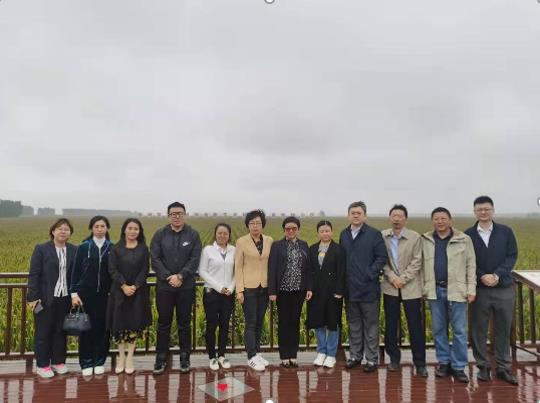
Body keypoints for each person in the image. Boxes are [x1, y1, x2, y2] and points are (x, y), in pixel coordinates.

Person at [465, 196, 519, 385]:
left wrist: (496, 275)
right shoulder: (468, 235)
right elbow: (467, 261)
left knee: (503, 329)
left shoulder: (506, 232)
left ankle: (503, 368)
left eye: (486, 209)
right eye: (479, 209)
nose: (483, 212)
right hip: (479, 289)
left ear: (493, 210)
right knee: (478, 329)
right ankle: (483, 366)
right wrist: (482, 276)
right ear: (474, 212)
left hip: (503, 288)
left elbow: (512, 256)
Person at [422, 207, 476, 383]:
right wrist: (424, 288)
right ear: (432, 221)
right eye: (436, 219)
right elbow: (420, 266)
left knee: (459, 331)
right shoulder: (426, 240)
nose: (440, 221)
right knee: (439, 330)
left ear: (450, 220)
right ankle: (444, 362)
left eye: (443, 218)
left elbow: (471, 265)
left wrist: (471, 289)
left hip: (457, 291)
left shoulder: (463, 239)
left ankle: (459, 366)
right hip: (435, 290)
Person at [151, 202, 202, 374]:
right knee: (163, 323)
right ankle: (161, 358)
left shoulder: (193, 235)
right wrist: (168, 276)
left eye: (180, 213)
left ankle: (184, 357)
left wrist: (180, 276)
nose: (177, 216)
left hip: (185, 287)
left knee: (184, 323)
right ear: (168, 216)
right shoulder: (160, 234)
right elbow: (155, 259)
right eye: (173, 214)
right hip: (164, 288)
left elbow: (195, 259)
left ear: (185, 215)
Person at [340, 201, 387, 373]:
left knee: (371, 326)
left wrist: (369, 274)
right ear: (348, 215)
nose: (355, 215)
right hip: (350, 290)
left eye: (359, 213)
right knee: (354, 325)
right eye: (352, 213)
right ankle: (355, 356)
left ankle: (372, 359)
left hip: (368, 289)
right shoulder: (344, 234)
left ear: (365, 216)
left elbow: (382, 258)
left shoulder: (374, 234)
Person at [27, 218, 77, 379]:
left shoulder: (74, 250)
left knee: (60, 331)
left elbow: (76, 275)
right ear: (53, 231)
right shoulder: (42, 249)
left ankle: (58, 361)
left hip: (65, 298)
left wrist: (75, 294)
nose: (63, 231)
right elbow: (34, 274)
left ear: (70, 233)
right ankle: (42, 365)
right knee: (43, 332)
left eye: (66, 229)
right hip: (44, 299)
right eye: (60, 228)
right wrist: (33, 297)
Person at [381, 205, 427, 377]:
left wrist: (403, 278)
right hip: (390, 287)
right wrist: (393, 277)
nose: (396, 219)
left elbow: (417, 261)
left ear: (405, 219)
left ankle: (420, 363)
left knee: (415, 326)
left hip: (411, 288)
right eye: (394, 215)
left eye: (400, 216)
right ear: (390, 218)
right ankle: (394, 359)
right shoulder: (383, 236)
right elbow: (381, 259)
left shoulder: (415, 237)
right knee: (391, 325)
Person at [107, 218, 152, 375]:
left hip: (137, 293)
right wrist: (124, 285)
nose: (133, 231)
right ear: (124, 230)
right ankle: (121, 357)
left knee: (134, 325)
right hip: (119, 292)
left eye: (136, 229)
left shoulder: (143, 249)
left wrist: (135, 286)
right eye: (130, 228)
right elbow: (112, 270)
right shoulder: (116, 248)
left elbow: (145, 270)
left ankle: (130, 358)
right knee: (119, 325)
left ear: (139, 231)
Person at [70, 216, 113, 376]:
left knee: (103, 328)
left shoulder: (112, 247)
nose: (100, 229)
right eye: (96, 226)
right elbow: (75, 271)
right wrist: (74, 293)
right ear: (91, 228)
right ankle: (86, 361)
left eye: (102, 226)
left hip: (106, 295)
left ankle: (100, 360)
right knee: (86, 328)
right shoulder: (84, 247)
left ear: (107, 228)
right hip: (85, 295)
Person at [268, 216, 312, 368]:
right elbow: (272, 269)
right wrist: (272, 291)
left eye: (294, 228)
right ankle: (284, 356)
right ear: (284, 230)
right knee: (284, 323)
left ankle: (293, 355)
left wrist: (309, 288)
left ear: (298, 230)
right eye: (288, 228)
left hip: (298, 291)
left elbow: (308, 269)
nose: (291, 231)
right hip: (282, 291)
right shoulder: (277, 246)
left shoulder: (304, 245)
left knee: (295, 322)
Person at [235, 209, 273, 371]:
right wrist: (239, 290)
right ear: (247, 225)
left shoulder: (269, 240)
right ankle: (251, 356)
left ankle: (257, 353)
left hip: (264, 287)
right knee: (250, 323)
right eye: (252, 223)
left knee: (259, 322)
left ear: (263, 224)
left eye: (258, 223)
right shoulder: (241, 242)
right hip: (248, 288)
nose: (255, 226)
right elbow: (238, 267)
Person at [306, 220, 345, 369]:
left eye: (327, 231)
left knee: (332, 322)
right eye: (322, 231)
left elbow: (342, 271)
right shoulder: (312, 249)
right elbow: (309, 271)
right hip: (316, 292)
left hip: (333, 292)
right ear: (318, 233)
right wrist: (309, 288)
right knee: (319, 322)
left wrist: (340, 290)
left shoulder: (338, 249)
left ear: (332, 232)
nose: (325, 233)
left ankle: (331, 354)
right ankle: (321, 351)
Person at [198, 223, 236, 371]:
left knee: (225, 324)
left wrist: (231, 288)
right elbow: (202, 271)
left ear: (229, 235)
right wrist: (219, 287)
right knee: (211, 324)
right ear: (215, 234)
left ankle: (221, 355)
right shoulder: (208, 250)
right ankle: (212, 356)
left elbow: (237, 271)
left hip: (228, 294)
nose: (222, 235)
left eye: (225, 233)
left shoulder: (233, 250)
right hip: (211, 293)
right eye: (219, 233)